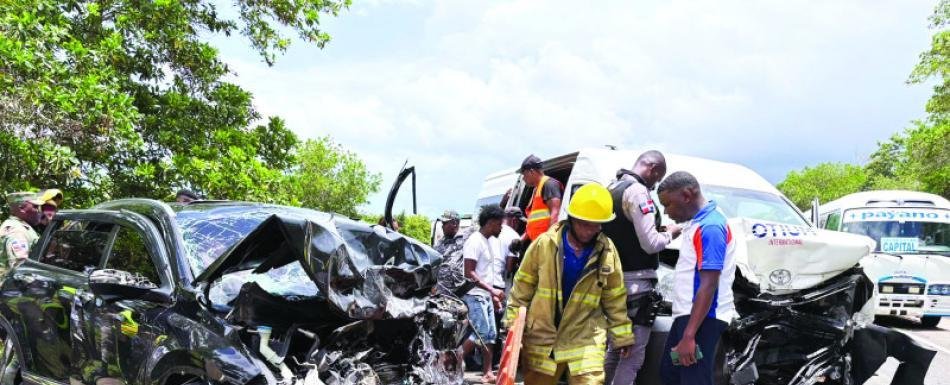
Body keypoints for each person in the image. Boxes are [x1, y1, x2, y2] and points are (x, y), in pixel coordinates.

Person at [505, 183, 634, 385]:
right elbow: (522, 288)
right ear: (572, 219)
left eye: (597, 224)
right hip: (543, 337)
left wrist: (622, 335)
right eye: (585, 224)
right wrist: (513, 328)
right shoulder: (544, 244)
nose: (591, 230)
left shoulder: (607, 252)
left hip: (585, 337)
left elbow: (614, 296)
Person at [602, 151, 682, 385]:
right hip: (636, 287)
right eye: (658, 179)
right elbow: (650, 243)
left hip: (611, 283)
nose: (656, 184)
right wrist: (670, 233)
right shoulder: (637, 192)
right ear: (654, 169)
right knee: (632, 358)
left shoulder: (611, 188)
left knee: (615, 350)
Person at [657, 172, 737, 385]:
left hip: (702, 319)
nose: (666, 211)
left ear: (686, 195)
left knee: (693, 379)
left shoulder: (710, 227)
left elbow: (709, 284)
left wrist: (690, 335)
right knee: (670, 374)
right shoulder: (699, 222)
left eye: (668, 204)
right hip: (689, 316)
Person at [461, 205, 506, 383]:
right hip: (474, 295)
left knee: (491, 335)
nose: (501, 228)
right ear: (490, 223)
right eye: (499, 224)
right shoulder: (474, 241)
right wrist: (492, 290)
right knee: (481, 331)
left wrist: (493, 295)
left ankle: (487, 372)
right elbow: (469, 273)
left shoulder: (488, 241)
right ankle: (454, 359)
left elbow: (486, 272)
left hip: (485, 295)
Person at [519, 154, 563, 242]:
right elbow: (533, 222)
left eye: (524, 174)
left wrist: (548, 240)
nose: (523, 178)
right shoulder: (536, 189)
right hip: (537, 243)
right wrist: (521, 240)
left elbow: (555, 213)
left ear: (532, 172)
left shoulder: (549, 184)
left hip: (545, 243)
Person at [0, 192, 44, 275]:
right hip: (12, 285)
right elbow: (20, 267)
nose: (39, 211)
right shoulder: (17, 231)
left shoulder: (20, 226)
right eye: (35, 207)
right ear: (22, 208)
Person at [433, 210, 473, 296]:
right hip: (442, 291)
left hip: (461, 291)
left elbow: (487, 223)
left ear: (454, 223)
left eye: (444, 223)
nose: (442, 227)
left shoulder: (468, 237)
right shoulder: (440, 242)